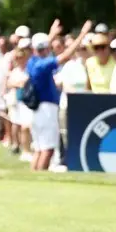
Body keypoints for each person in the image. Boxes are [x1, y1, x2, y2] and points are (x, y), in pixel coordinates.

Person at [25, 21, 92, 171]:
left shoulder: (32, 62)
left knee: (39, 149)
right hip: (47, 109)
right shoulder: (43, 65)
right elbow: (66, 55)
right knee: (47, 150)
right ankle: (40, 181)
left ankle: (32, 179)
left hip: (37, 111)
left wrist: (52, 33)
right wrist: (82, 34)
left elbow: (42, 47)